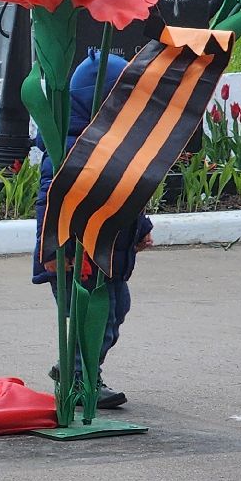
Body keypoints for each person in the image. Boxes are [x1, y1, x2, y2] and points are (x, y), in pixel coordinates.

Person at [31, 50, 149, 409]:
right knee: (97, 318)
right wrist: (52, 250)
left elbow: (125, 196)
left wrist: (140, 228)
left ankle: (75, 369)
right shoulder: (68, 148)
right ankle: (82, 378)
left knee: (118, 310)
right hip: (75, 257)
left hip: (109, 252)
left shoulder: (116, 146)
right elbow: (49, 201)